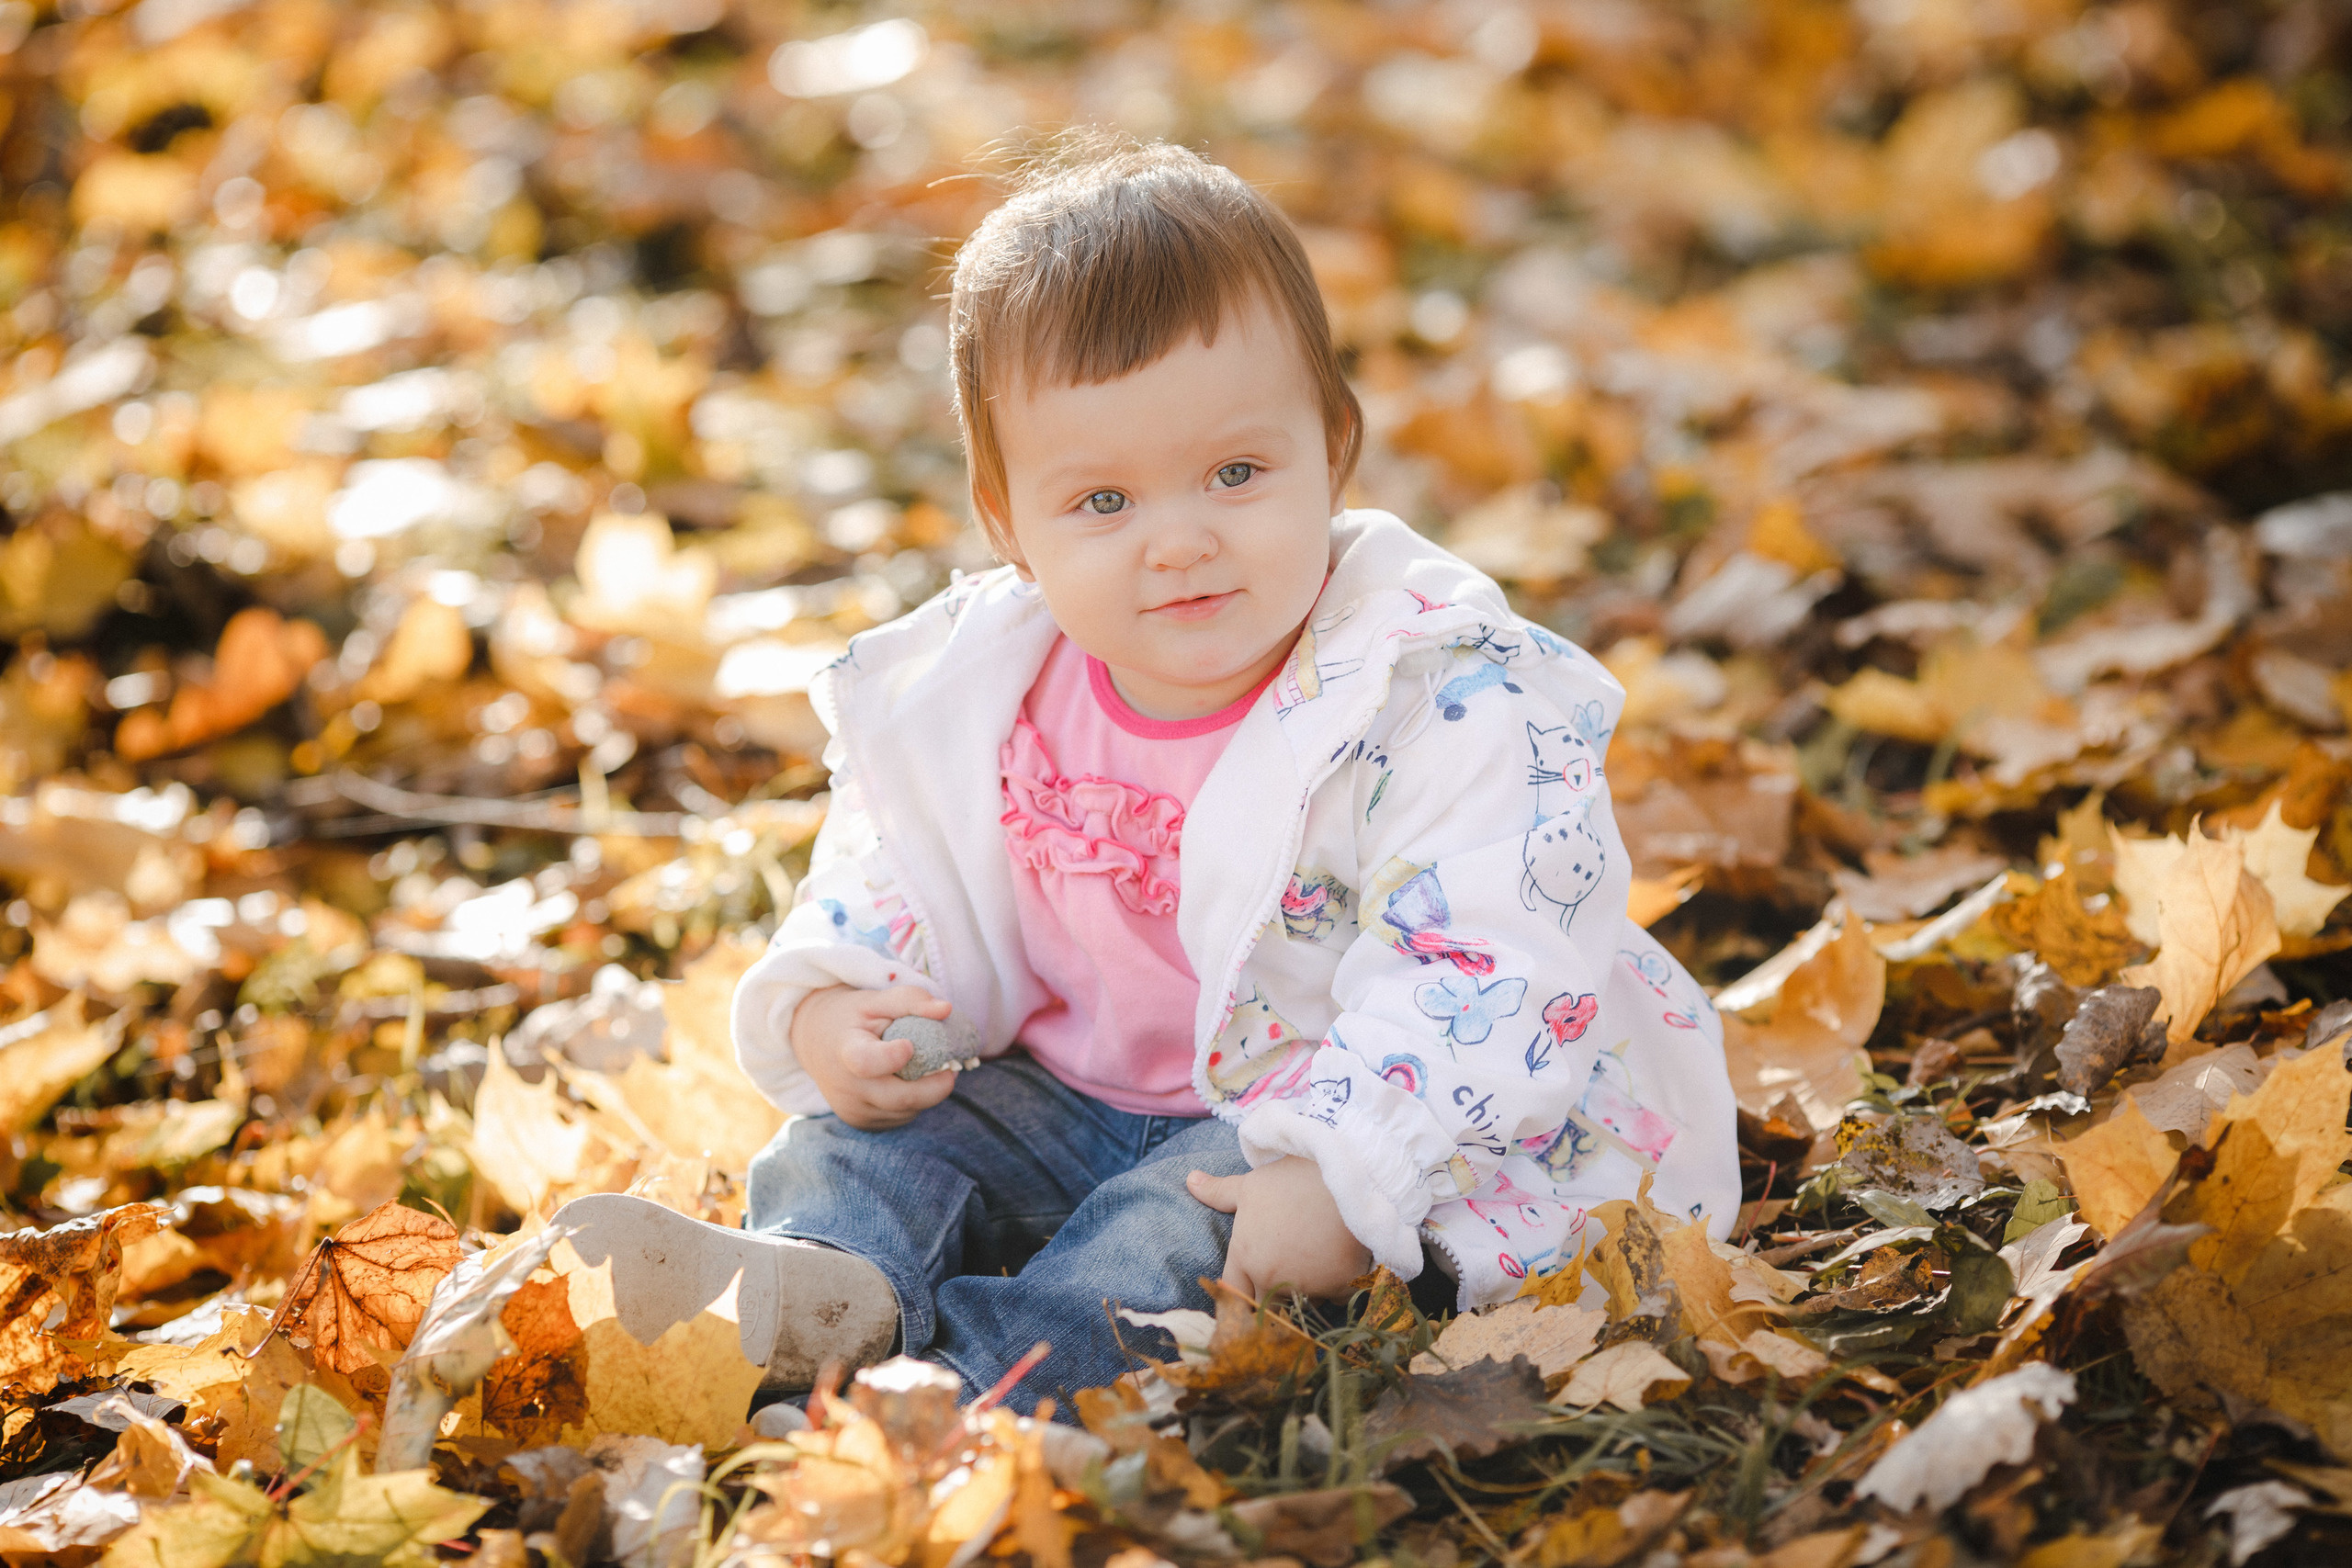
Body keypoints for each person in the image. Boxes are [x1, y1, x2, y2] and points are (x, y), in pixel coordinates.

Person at [553, 138, 1736, 1416]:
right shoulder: (985, 690)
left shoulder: (1439, 694)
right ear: (1009, 521)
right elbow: (907, 860)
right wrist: (839, 1003)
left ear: (1332, 448)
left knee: (1158, 1239)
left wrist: (1347, 1164)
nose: (1179, 541)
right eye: (1104, 502)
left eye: (1236, 474)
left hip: (1291, 1116)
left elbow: (1491, 966)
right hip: (1053, 1092)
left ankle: (976, 1396)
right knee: (865, 1144)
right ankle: (818, 1289)